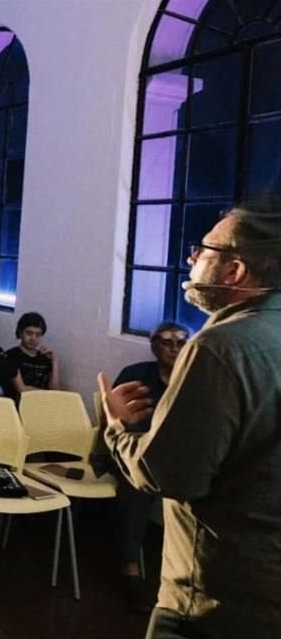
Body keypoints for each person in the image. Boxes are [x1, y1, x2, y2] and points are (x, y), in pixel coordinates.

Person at [98, 203, 281, 637]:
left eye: (202, 249)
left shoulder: (220, 347)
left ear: (234, 270)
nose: (191, 259)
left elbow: (170, 477)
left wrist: (119, 428)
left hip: (213, 600)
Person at [108, 321, 189, 611]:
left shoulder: (191, 378)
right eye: (167, 342)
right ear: (154, 346)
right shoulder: (135, 377)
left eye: (181, 342)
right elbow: (117, 424)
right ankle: (131, 568)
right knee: (136, 488)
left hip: (174, 458)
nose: (174, 348)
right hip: (131, 452)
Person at [5, 312, 61, 395]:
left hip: (43, 403)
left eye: (38, 335)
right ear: (20, 333)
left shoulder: (44, 358)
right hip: (19, 404)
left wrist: (54, 362)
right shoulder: (11, 355)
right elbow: (21, 389)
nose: (33, 338)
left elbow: (56, 391)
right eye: (29, 333)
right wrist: (48, 394)